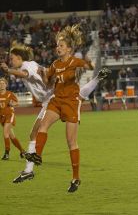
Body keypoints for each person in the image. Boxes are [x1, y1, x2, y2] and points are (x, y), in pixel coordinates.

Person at [0, 42, 110, 184]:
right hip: (51, 98)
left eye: (13, 58)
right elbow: (45, 72)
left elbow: (25, 74)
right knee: (37, 133)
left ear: (20, 58)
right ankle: (29, 170)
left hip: (52, 99)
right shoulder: (32, 64)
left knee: (59, 137)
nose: (11, 60)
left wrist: (9, 70)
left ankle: (31, 169)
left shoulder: (27, 66)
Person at [24, 24, 110, 193]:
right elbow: (49, 82)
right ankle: (37, 155)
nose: (58, 48)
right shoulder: (55, 64)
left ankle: (76, 178)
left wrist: (91, 65)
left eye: (61, 45)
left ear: (69, 49)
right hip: (57, 100)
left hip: (71, 103)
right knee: (43, 126)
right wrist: (44, 74)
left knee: (71, 142)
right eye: (57, 45)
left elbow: (89, 67)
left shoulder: (74, 61)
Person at [0, 77, 25, 160]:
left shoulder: (10, 94)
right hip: (2, 117)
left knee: (5, 133)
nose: (1, 85)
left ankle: (7, 153)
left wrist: (12, 104)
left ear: (6, 85)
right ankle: (22, 151)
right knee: (12, 136)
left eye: (3, 83)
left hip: (10, 115)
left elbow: (17, 103)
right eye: (0, 83)